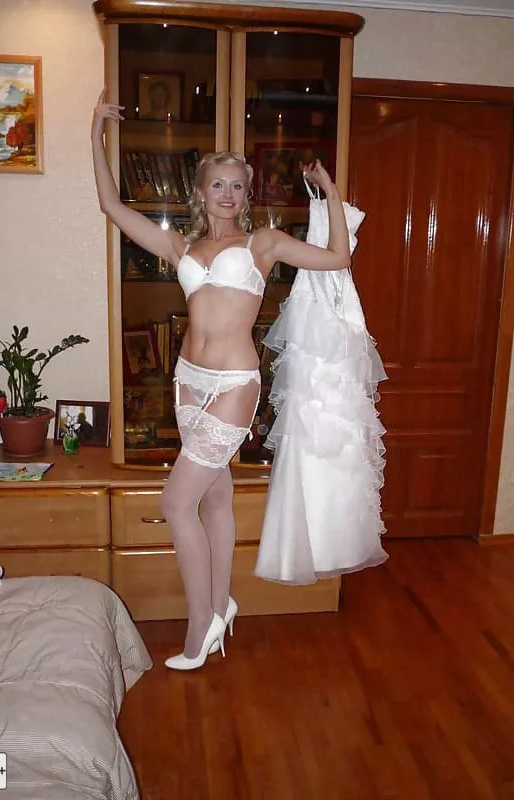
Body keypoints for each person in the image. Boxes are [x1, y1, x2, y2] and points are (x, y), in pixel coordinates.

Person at [91, 89, 352, 670]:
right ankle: (220, 605)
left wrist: (329, 191)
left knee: (175, 500)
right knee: (215, 496)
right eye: (219, 184)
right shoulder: (179, 244)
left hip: (234, 382)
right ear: (202, 190)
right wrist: (95, 134)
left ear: (246, 194)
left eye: (238, 185)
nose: (229, 194)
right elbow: (110, 204)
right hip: (187, 380)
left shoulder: (262, 243)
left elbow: (339, 258)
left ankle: (201, 622)